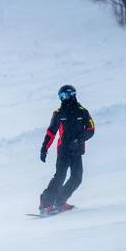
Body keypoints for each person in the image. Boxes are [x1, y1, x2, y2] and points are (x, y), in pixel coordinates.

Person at [39, 85, 95, 215]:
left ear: (72, 95)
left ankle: (59, 201)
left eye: (63, 96)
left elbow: (91, 129)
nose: (62, 99)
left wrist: (79, 140)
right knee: (60, 176)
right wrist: (44, 148)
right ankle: (45, 203)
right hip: (63, 150)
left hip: (77, 150)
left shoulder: (82, 112)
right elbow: (51, 132)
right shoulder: (58, 113)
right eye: (60, 97)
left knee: (77, 178)